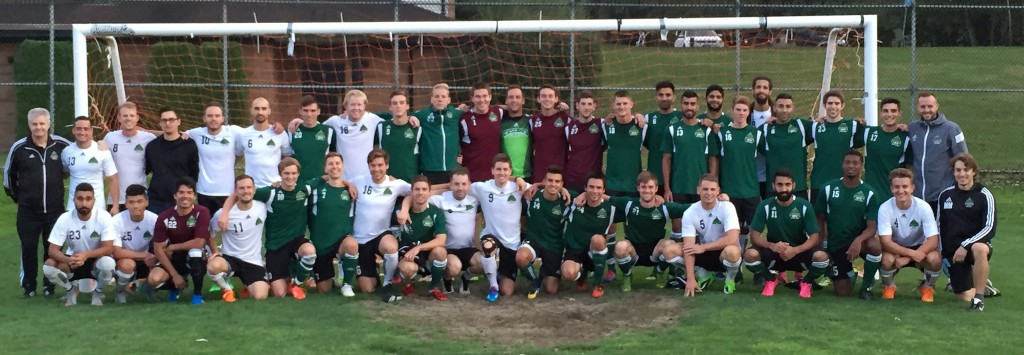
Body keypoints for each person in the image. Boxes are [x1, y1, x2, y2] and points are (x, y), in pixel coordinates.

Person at [220, 157, 315, 300]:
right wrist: (225, 213)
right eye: (286, 173)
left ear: (298, 174)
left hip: (296, 241)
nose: (290, 177)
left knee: (309, 252)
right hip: (275, 246)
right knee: (279, 294)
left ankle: (296, 283)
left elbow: (326, 178)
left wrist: (347, 184)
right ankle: (263, 279)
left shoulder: (305, 189)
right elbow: (238, 194)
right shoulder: (270, 192)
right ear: (280, 174)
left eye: (294, 173)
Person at [5, 108, 71, 297]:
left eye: (42, 124)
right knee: (28, 248)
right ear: (29, 125)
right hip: (28, 212)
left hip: (54, 210)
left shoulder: (61, 145)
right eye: (35, 124)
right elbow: (8, 178)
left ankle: (49, 286)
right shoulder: (19, 147)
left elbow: (80, 153)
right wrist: (21, 198)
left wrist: (100, 144)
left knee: (52, 250)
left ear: (49, 124)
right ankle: (29, 287)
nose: (38, 128)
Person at [744, 169, 830, 298]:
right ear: (773, 186)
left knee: (822, 258)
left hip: (798, 253)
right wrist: (772, 246)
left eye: (787, 185)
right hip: (774, 253)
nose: (784, 188)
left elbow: (814, 237)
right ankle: (771, 279)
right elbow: (754, 235)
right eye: (780, 185)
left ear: (793, 185)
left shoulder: (804, 206)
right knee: (749, 255)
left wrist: (795, 250)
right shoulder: (765, 205)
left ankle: (806, 282)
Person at [815, 150, 882, 299]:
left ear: (861, 166)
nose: (851, 166)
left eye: (855, 163)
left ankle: (866, 287)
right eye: (847, 162)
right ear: (842, 165)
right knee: (843, 293)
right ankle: (850, 274)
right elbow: (819, 218)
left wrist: (858, 241)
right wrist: (822, 244)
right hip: (836, 243)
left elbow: (872, 227)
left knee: (875, 246)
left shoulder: (869, 193)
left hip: (859, 241)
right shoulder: (828, 188)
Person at [347, 149, 411, 301]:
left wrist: (405, 209)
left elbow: (416, 192)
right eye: (373, 165)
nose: (376, 169)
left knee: (391, 247)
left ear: (387, 166)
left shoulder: (396, 184)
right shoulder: (359, 181)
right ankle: (372, 271)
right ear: (368, 166)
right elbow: (337, 181)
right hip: (360, 239)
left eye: (380, 165)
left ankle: (388, 282)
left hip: (381, 234)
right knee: (367, 289)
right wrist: (347, 184)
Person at [662, 174, 741, 296]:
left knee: (733, 251)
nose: (709, 193)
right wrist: (690, 278)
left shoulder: (727, 207)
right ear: (698, 190)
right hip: (703, 252)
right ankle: (703, 274)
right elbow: (688, 247)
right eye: (705, 189)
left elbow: (733, 238)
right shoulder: (690, 212)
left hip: (723, 253)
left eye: (712, 189)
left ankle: (730, 279)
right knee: (669, 251)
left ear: (718, 191)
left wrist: (703, 247)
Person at [609, 171, 687, 292]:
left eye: (650, 187)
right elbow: (604, 198)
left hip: (655, 253)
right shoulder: (629, 204)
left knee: (669, 245)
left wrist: (716, 200)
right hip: (633, 253)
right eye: (643, 187)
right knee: (620, 246)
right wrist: (584, 195)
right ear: (638, 188)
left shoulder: (664, 207)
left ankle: (659, 272)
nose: (647, 190)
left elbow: (689, 207)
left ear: (656, 188)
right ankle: (627, 275)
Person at [937, 153, 995, 311]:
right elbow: (939, 226)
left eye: (966, 170)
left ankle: (979, 299)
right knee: (962, 297)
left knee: (979, 248)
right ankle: (983, 286)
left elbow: (989, 228)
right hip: (953, 253)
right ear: (953, 172)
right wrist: (942, 253)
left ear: (974, 172)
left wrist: (966, 245)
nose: (962, 174)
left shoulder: (984, 195)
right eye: (958, 170)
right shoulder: (945, 195)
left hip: (974, 246)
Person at [42, 183, 117, 306]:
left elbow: (108, 248)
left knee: (108, 263)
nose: (84, 203)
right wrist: (68, 259)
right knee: (49, 266)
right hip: (73, 261)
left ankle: (98, 293)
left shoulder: (104, 216)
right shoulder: (64, 218)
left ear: (94, 200)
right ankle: (71, 290)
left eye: (88, 199)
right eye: (80, 199)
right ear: (74, 200)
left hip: (95, 262)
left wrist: (86, 255)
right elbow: (52, 250)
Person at [468, 154, 530, 301]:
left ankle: (499, 274)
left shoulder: (519, 186)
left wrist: (518, 179)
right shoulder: (482, 187)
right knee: (488, 246)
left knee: (507, 291)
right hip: (491, 235)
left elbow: (541, 188)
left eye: (505, 169)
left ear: (510, 172)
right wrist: (430, 190)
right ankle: (493, 286)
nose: (502, 173)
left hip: (512, 241)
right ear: (492, 171)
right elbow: (458, 185)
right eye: (498, 169)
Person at [876, 168, 942, 302]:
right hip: (895, 249)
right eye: (897, 187)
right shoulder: (885, 208)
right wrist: (909, 255)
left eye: (905, 186)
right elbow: (885, 242)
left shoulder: (923, 207)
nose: (901, 191)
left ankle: (927, 287)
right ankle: (889, 286)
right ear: (891, 188)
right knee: (886, 260)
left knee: (935, 258)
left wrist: (910, 256)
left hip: (919, 248)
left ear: (912, 187)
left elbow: (933, 240)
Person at [207, 175, 271, 302]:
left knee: (260, 296)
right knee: (213, 266)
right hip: (230, 258)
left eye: (249, 187)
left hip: (253, 261)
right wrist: (215, 252)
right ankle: (227, 290)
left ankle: (249, 286)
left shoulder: (262, 207)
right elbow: (210, 233)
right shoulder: (222, 214)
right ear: (235, 192)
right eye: (241, 188)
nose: (246, 191)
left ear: (254, 190)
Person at [148, 177, 211, 305]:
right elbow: (158, 249)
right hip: (174, 258)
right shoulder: (164, 216)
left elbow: (199, 242)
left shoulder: (202, 212)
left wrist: (173, 247)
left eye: (189, 193)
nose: (185, 196)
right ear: (175, 196)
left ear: (194, 196)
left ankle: (197, 295)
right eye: (181, 192)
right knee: (154, 280)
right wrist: (174, 274)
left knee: (196, 252)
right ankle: (175, 287)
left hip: (194, 256)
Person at [717, 96, 761, 267]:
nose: (741, 113)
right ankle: (734, 265)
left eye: (744, 110)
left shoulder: (756, 134)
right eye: (738, 109)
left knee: (753, 231)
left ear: (748, 112)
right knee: (730, 230)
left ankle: (755, 263)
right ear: (732, 111)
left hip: (751, 190)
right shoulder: (722, 133)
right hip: (729, 192)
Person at [908, 92, 968, 212]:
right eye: (923, 107)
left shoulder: (952, 128)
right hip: (918, 196)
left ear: (937, 106)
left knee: (943, 230)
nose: (926, 110)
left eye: (930, 106)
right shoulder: (912, 128)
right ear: (917, 107)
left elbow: (964, 159)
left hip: (943, 195)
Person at [560, 172, 617, 298]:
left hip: (594, 252)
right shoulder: (574, 200)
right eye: (591, 187)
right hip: (574, 249)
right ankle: (582, 274)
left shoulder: (611, 207)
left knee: (598, 239)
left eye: (598, 188)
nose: (594, 191)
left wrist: (658, 198)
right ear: (585, 188)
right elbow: (553, 187)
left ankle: (597, 285)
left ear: (604, 190)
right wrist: (562, 188)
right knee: (568, 274)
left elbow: (635, 202)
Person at [307, 153, 356, 295]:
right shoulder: (316, 191)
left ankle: (347, 284)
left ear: (343, 166)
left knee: (352, 245)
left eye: (337, 163)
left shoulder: (351, 191)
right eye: (331, 164)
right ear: (325, 168)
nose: (334, 166)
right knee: (324, 290)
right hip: (321, 245)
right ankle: (330, 279)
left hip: (341, 241)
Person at [428, 168, 483, 295]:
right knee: (454, 267)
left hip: (468, 249)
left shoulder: (474, 199)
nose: (460, 188)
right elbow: (422, 192)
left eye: (464, 184)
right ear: (451, 184)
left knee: (484, 263)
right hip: (448, 249)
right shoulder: (441, 199)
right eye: (456, 184)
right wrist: (445, 187)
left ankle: (466, 278)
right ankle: (447, 279)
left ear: (469, 184)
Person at [518, 166, 570, 298]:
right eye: (550, 180)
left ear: (562, 184)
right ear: (544, 181)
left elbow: (587, 195)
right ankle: (535, 281)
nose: (553, 184)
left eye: (557, 181)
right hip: (534, 240)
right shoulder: (531, 195)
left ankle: (545, 271)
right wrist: (535, 184)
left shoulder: (567, 201)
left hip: (554, 245)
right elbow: (509, 180)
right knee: (521, 257)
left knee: (551, 289)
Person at [395, 176, 450, 301]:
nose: (420, 192)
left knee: (441, 252)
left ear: (429, 192)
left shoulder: (436, 212)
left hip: (426, 251)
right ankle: (408, 282)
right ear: (412, 191)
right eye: (417, 189)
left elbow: (441, 240)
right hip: (407, 251)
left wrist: (419, 248)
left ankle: (434, 287)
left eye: (424, 189)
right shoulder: (401, 211)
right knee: (408, 269)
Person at [662, 90, 718, 204]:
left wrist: (711, 186)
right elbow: (666, 160)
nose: (689, 107)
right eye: (686, 103)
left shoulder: (706, 130)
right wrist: (667, 188)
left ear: (697, 107)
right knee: (678, 221)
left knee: (701, 221)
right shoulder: (671, 129)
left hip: (701, 189)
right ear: (681, 105)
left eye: (692, 104)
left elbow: (713, 159)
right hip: (678, 188)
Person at [186, 102, 242, 215]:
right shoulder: (196, 133)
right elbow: (172, 134)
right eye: (210, 116)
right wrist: (144, 131)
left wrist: (277, 128)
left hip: (227, 191)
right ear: (204, 118)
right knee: (206, 229)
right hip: (204, 191)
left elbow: (256, 132)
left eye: (217, 116)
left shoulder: (234, 132)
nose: (213, 119)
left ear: (222, 118)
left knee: (227, 227)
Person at [103, 102, 157, 211]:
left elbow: (167, 135)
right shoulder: (110, 138)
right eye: (125, 115)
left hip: (139, 198)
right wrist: (99, 143)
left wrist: (180, 133)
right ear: (119, 118)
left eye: (132, 116)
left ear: (137, 118)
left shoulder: (148, 138)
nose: (128, 118)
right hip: (116, 200)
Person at [144, 108, 199, 213]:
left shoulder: (189, 145)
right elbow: (147, 169)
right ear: (160, 123)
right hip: (156, 201)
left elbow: (194, 173)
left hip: (180, 200)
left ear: (178, 121)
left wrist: (187, 195)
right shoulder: (152, 146)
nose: (168, 123)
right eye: (164, 120)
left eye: (171, 120)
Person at [760, 93, 814, 200]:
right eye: (780, 106)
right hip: (774, 189)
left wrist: (822, 120)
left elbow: (825, 131)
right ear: (774, 108)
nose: (784, 110)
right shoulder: (765, 129)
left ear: (793, 108)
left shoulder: (801, 125)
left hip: (798, 188)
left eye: (788, 106)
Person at [111, 184, 159, 304]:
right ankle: (120, 291)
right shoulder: (116, 221)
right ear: (126, 204)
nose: (135, 206)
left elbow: (163, 246)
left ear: (146, 202)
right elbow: (116, 251)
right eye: (131, 202)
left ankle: (147, 287)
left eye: (139, 201)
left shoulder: (155, 220)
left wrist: (155, 258)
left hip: (146, 259)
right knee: (128, 265)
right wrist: (145, 255)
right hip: (124, 259)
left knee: (161, 263)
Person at [810, 90, 862, 200]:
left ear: (842, 105)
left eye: (837, 103)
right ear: (824, 105)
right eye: (830, 103)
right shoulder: (815, 127)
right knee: (819, 217)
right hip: (819, 183)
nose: (833, 107)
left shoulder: (852, 125)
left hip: (843, 183)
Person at [325, 90, 387, 180]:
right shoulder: (336, 121)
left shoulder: (372, 119)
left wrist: (411, 117)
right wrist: (300, 121)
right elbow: (316, 126)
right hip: (343, 179)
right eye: (352, 105)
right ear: (345, 106)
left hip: (366, 179)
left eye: (359, 105)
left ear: (364, 106)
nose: (356, 108)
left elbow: (394, 122)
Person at [62, 116, 119, 213]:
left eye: (86, 129)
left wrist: (115, 205)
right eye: (79, 129)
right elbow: (65, 173)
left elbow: (112, 179)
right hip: (73, 207)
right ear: (73, 130)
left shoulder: (102, 151)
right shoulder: (67, 152)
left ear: (91, 130)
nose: (82, 132)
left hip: (97, 207)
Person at [860, 97, 910, 201]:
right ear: (880, 113)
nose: (889, 114)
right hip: (871, 196)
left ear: (899, 113)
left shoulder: (906, 137)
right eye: (885, 111)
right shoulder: (868, 132)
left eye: (893, 111)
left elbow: (911, 169)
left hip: (894, 198)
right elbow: (844, 137)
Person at [237, 97, 292, 188]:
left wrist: (283, 179)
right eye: (257, 108)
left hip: (274, 186)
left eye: (264, 108)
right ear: (251, 111)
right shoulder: (243, 134)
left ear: (269, 111)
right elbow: (237, 154)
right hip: (252, 188)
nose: (260, 112)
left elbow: (288, 156)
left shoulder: (279, 133)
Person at [416, 83, 463, 185]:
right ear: (432, 99)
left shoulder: (456, 114)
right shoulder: (422, 115)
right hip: (429, 169)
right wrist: (411, 117)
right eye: (436, 96)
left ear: (449, 100)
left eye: (443, 96)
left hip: (451, 168)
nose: (440, 99)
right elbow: (401, 116)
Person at [603, 90, 647, 196]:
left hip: (633, 186)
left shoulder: (643, 127)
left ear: (631, 104)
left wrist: (639, 115)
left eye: (625, 103)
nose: (622, 107)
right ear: (613, 105)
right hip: (611, 185)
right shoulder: (605, 126)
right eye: (618, 104)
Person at [459, 83, 504, 182]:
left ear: (490, 97)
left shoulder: (498, 112)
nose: (482, 100)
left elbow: (513, 108)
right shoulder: (464, 119)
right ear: (472, 98)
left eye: (485, 96)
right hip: (472, 178)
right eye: (478, 97)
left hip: (494, 178)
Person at [375, 91, 421, 182]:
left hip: (410, 182)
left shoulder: (418, 127)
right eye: (394, 103)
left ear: (407, 106)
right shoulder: (381, 127)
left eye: (402, 103)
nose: (398, 106)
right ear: (390, 107)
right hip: (387, 181)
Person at [564, 91, 605, 194]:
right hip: (572, 181)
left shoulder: (602, 124)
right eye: (583, 104)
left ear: (594, 106)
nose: (586, 107)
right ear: (577, 105)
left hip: (593, 183)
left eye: (589, 104)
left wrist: (637, 116)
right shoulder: (568, 127)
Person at [528, 86, 571, 183]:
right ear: (538, 99)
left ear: (556, 99)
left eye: (550, 96)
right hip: (539, 173)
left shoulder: (565, 119)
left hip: (560, 173)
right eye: (543, 96)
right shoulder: (533, 120)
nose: (547, 99)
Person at [645, 81, 682, 191]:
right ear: (656, 97)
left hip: (677, 176)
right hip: (655, 176)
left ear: (674, 97)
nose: (664, 98)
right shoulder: (648, 118)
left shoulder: (682, 117)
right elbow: (646, 142)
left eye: (668, 95)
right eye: (661, 95)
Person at [290, 95, 336, 182]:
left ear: (319, 111)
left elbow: (333, 156)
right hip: (299, 184)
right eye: (305, 110)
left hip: (321, 183)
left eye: (313, 111)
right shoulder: (291, 131)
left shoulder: (329, 131)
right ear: (300, 111)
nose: (309, 114)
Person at [501, 85, 532, 179]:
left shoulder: (530, 121)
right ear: (506, 101)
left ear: (523, 100)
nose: (514, 100)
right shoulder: (499, 122)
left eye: (517, 97)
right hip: (505, 176)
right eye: (511, 97)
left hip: (528, 176)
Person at [750, 77, 773, 196]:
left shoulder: (777, 114)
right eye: (758, 87)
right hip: (750, 177)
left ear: (770, 91)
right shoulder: (745, 114)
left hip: (771, 178)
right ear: (752, 90)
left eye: (765, 87)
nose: (761, 90)